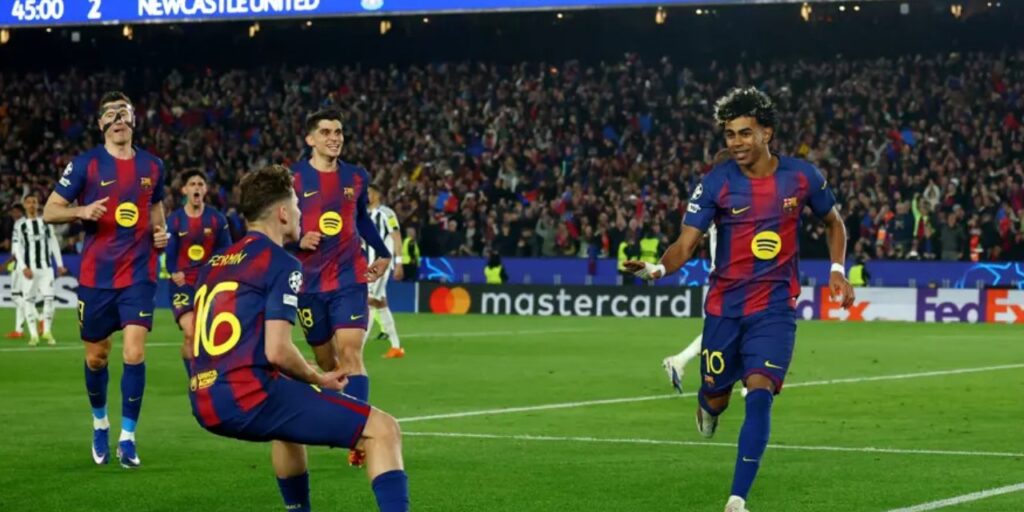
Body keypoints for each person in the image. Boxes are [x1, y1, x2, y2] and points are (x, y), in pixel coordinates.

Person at [626, 87, 854, 512]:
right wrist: (657, 270)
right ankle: (707, 406)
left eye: (745, 133)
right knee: (716, 396)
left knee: (761, 390)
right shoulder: (715, 183)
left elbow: (833, 221)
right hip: (723, 309)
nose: (736, 142)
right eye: (730, 134)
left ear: (767, 132)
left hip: (774, 308)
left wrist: (837, 271)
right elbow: (685, 243)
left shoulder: (801, 176)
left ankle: (736, 499)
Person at [187, 164, 408, 512]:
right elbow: (276, 350)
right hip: (247, 398)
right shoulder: (282, 263)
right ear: (283, 213)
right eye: (297, 206)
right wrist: (317, 376)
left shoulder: (215, 264)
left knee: (287, 424)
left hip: (203, 398)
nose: (302, 213)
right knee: (383, 429)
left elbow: (194, 344)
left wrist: (297, 371)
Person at [43, 91, 169, 468]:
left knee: (134, 352)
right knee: (97, 358)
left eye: (124, 113)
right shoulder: (85, 165)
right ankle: (100, 423)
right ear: (100, 124)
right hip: (97, 277)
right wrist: (82, 210)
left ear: (133, 121)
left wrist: (161, 234)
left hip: (139, 274)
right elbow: (50, 210)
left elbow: (157, 208)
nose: (117, 119)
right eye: (110, 114)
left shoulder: (153, 166)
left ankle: (127, 438)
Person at [289, 108, 392, 467]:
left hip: (349, 276)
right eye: (327, 132)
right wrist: (299, 239)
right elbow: (280, 225)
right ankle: (337, 412)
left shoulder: (356, 177)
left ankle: (359, 436)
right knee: (325, 362)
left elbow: (361, 218)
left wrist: (381, 252)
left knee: (351, 355)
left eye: (339, 132)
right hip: (308, 282)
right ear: (310, 139)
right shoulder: (293, 178)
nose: (335, 137)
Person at [166, 169, 232, 370]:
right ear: (184, 189)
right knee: (191, 332)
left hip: (209, 284)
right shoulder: (175, 220)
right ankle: (196, 379)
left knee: (208, 336)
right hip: (183, 283)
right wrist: (173, 271)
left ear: (206, 190)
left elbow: (225, 251)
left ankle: (203, 377)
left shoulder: (217, 220)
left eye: (200, 184)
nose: (196, 187)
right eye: (192, 184)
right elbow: (170, 252)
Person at [11, 193, 67, 346]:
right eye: (28, 202)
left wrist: (60, 264)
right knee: (28, 300)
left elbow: (53, 242)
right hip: (29, 270)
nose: (31, 205)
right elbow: (17, 248)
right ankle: (34, 335)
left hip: (46, 268)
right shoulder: (20, 225)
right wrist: (23, 267)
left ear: (37, 204)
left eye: (34, 202)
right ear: (24, 205)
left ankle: (47, 331)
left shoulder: (46, 222)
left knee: (49, 299)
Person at [363, 183, 406, 358]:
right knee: (380, 304)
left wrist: (399, 262)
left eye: (370, 193)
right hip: (368, 265)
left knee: (368, 302)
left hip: (381, 264)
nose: (367, 196)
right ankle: (396, 347)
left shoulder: (387, 214)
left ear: (377, 195)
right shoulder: (363, 215)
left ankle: (357, 349)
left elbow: (396, 237)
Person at [5, 204, 27, 340]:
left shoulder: (21, 224)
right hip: (20, 262)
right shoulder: (20, 223)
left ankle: (39, 317)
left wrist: (7, 263)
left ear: (20, 212)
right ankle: (18, 330)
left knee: (16, 296)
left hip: (20, 263)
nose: (13, 214)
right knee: (21, 296)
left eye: (14, 211)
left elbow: (20, 247)